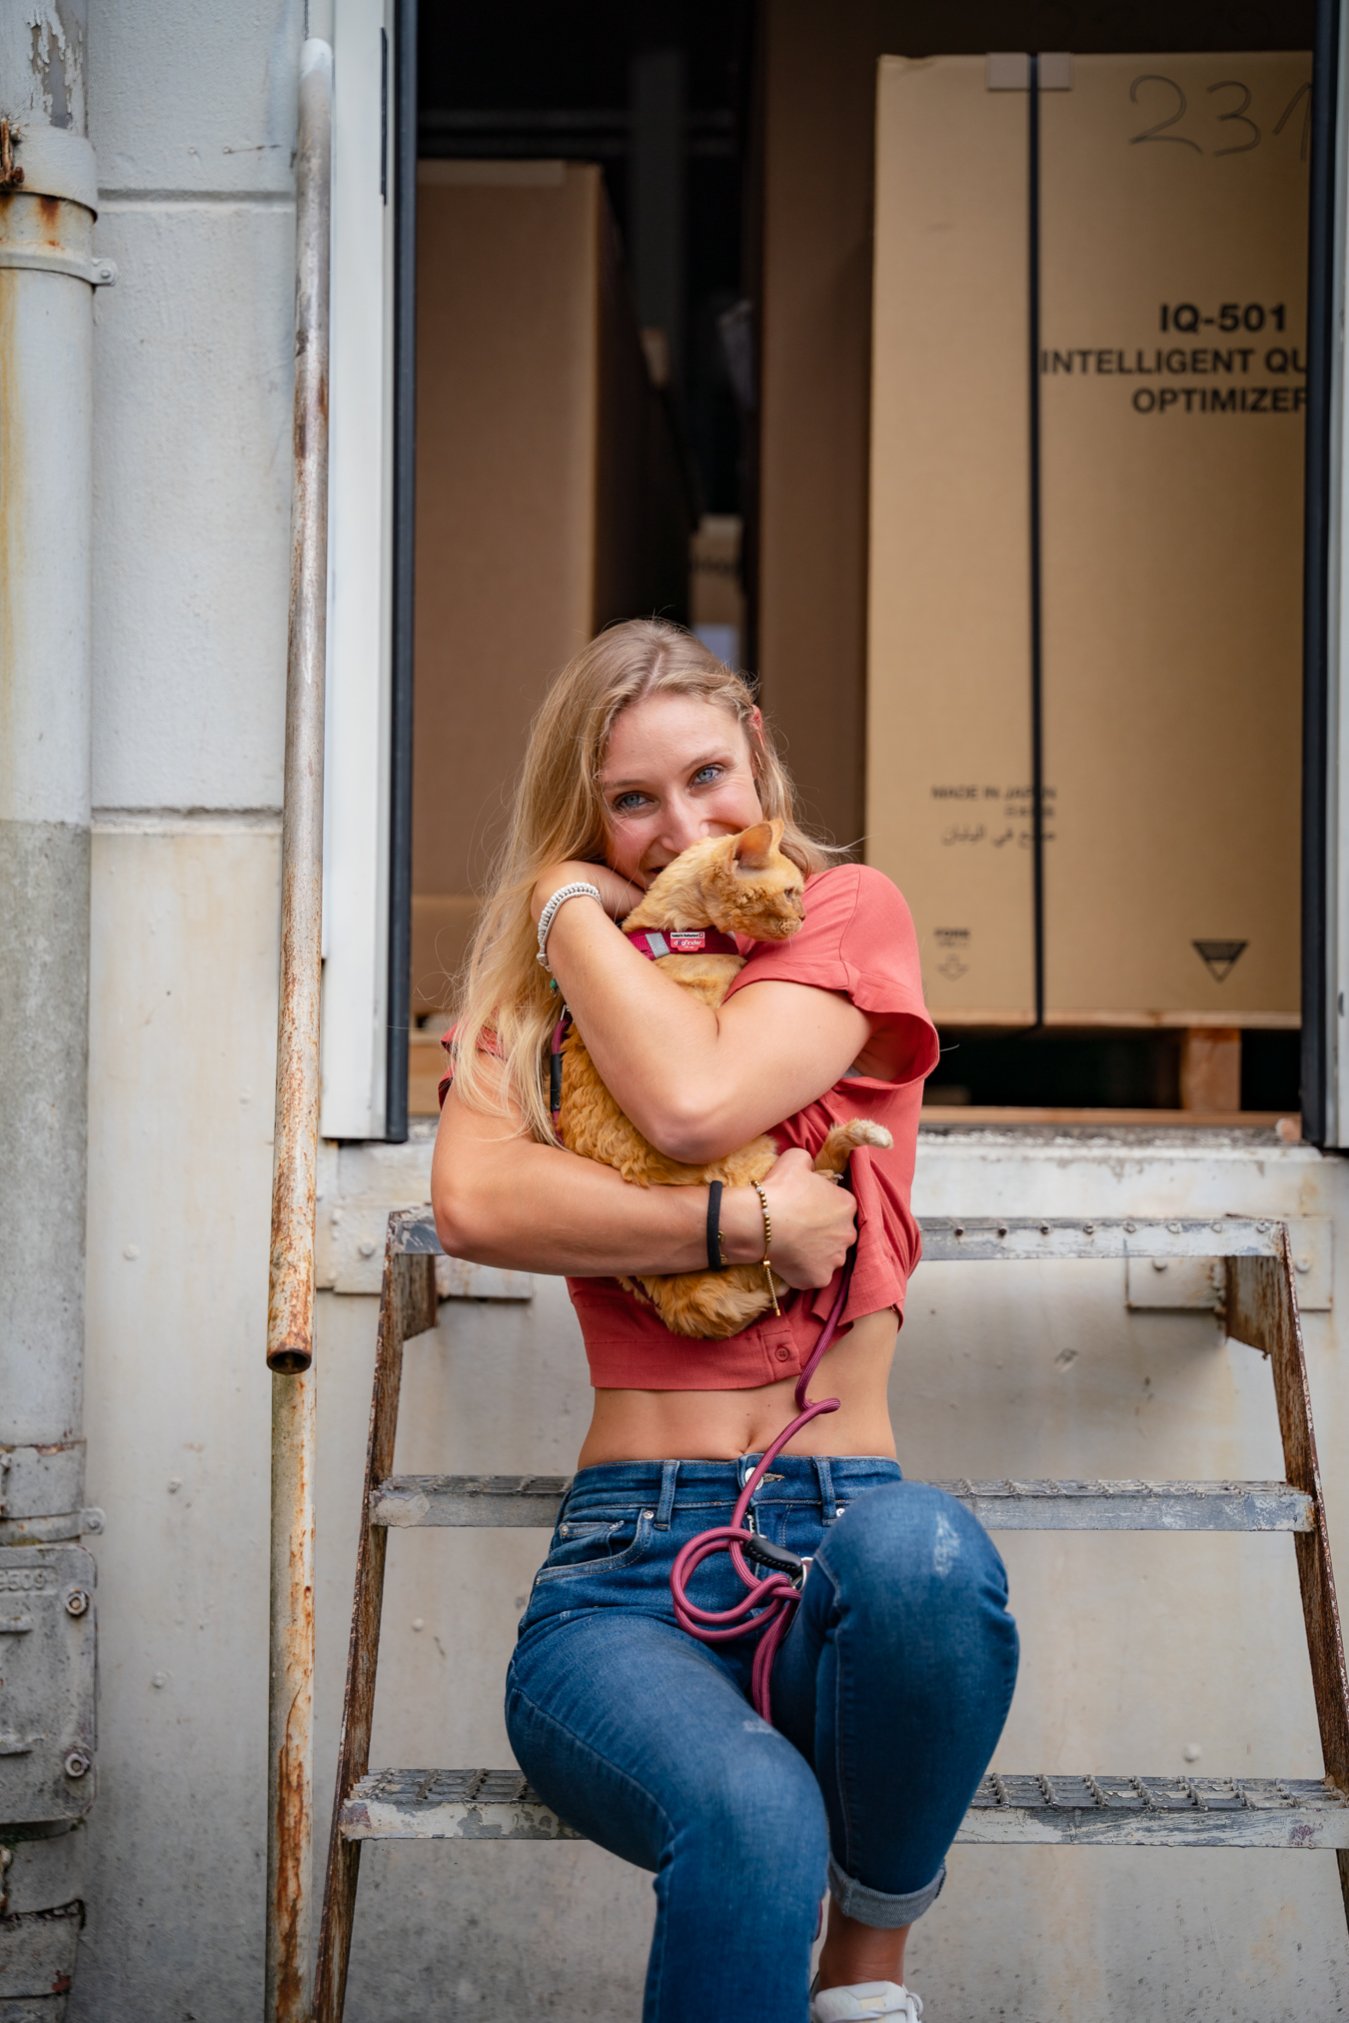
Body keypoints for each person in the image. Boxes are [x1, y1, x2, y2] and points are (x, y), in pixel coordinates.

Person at [432, 618, 1019, 2023]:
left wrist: (563, 916)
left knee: (928, 1552)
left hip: (843, 1554)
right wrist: (739, 1225)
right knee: (752, 1812)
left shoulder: (843, 913)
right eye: (629, 802)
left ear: (754, 746)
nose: (680, 828)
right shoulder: (549, 973)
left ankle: (862, 1976)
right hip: (620, 1579)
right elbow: (475, 1200)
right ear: (584, 818)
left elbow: (695, 1100)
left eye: (705, 775)